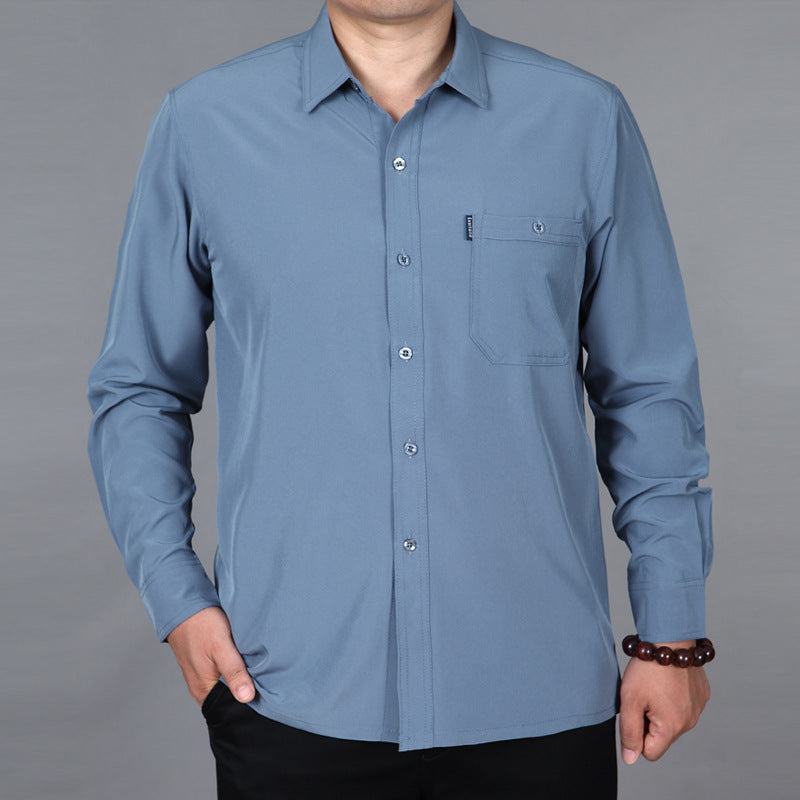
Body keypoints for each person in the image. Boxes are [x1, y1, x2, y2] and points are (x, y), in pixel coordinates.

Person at [86, 1, 713, 797]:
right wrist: (176, 598)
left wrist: (671, 633)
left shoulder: (584, 121)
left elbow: (650, 394)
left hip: (539, 694)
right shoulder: (203, 125)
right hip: (290, 697)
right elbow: (139, 388)